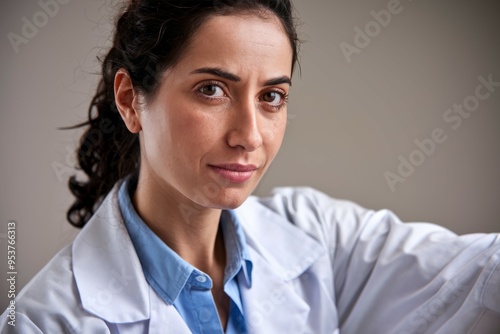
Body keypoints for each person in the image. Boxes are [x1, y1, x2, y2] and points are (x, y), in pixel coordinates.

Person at [1, 0, 499, 333]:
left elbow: (481, 273)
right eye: (212, 89)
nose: (250, 135)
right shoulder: (45, 321)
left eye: (271, 97)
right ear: (131, 100)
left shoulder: (316, 236)